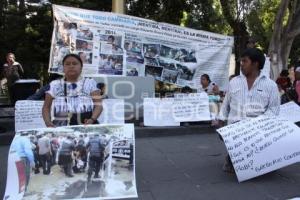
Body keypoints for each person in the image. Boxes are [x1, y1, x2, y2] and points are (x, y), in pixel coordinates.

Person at [217, 48, 280, 173]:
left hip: (258, 128)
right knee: (238, 164)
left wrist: (257, 123)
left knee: (256, 164)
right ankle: (233, 157)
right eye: (241, 61)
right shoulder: (234, 82)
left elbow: (274, 109)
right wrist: (220, 119)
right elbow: (226, 103)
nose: (241, 64)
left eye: (244, 61)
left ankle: (254, 158)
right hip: (235, 126)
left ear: (255, 64)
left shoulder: (270, 85)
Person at [42, 54, 103, 127]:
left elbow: (98, 105)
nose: (71, 66)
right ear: (63, 68)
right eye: (67, 64)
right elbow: (46, 107)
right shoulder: (55, 84)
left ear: (81, 67)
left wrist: (92, 119)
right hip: (61, 126)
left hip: (86, 125)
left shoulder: (90, 83)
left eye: (75, 63)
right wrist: (48, 123)